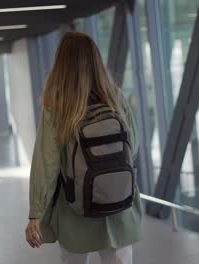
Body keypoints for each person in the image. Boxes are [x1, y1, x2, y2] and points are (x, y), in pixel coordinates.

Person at [25, 32, 143, 264]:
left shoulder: (57, 106)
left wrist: (35, 213)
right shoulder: (115, 97)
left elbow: (47, 163)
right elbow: (134, 145)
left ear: (61, 65)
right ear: (97, 61)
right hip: (119, 206)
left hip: (76, 210)